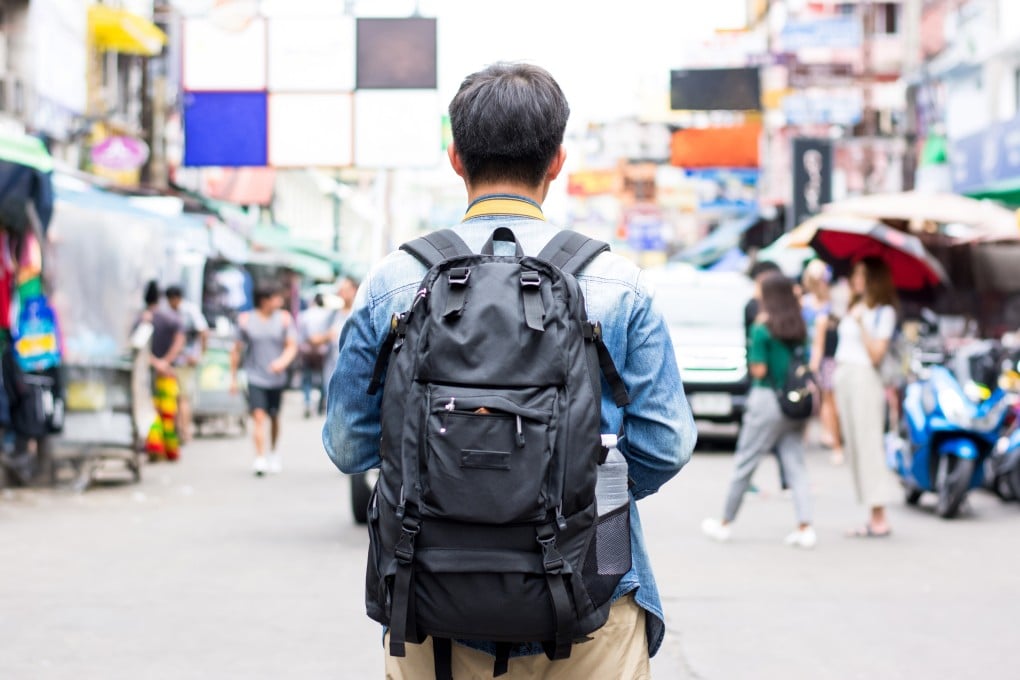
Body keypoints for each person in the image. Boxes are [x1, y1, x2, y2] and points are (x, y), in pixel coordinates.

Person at [322, 62, 695, 678]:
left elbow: (347, 444)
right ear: (557, 160)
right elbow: (666, 443)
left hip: (431, 599)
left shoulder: (394, 282)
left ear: (455, 158)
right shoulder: (617, 284)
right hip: (592, 594)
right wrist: (586, 498)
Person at [702, 271, 817, 548]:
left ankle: (725, 522)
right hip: (794, 400)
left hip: (766, 399)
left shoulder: (761, 328)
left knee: (746, 461)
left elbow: (759, 369)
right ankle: (805, 526)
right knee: (795, 464)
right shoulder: (798, 326)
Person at [834, 257, 900, 538]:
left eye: (861, 275)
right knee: (855, 447)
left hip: (864, 377)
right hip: (845, 375)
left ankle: (879, 515)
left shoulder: (883, 312)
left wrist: (861, 325)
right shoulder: (854, 306)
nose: (856, 279)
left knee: (869, 443)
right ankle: (872, 514)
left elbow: (876, 355)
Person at [230, 284, 298, 476]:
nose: (280, 301)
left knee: (274, 417)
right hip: (254, 376)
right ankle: (259, 458)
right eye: (276, 297)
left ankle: (274, 452)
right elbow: (235, 350)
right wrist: (233, 378)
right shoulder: (245, 320)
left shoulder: (284, 319)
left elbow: (292, 346)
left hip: (276, 378)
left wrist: (282, 362)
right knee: (258, 416)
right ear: (264, 300)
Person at [743, 259, 789, 494]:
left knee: (749, 449)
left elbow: (758, 366)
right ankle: (788, 483)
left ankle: (725, 520)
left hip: (765, 389)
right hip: (786, 390)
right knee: (790, 449)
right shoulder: (791, 316)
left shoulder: (761, 321)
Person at [801, 260, 844, 464]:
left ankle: (834, 441)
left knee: (827, 399)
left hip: (825, 357)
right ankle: (804, 440)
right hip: (813, 357)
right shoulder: (806, 303)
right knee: (812, 399)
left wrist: (814, 363)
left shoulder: (830, 305)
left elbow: (820, 340)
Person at [138, 281, 186, 462]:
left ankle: (155, 449)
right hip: (167, 374)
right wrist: (166, 362)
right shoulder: (170, 318)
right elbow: (180, 339)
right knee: (168, 413)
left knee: (151, 411)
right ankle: (171, 451)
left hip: (147, 375)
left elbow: (136, 347)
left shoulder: (142, 319)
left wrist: (154, 362)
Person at [165, 285, 209, 444]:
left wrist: (199, 354)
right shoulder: (173, 313)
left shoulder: (189, 311)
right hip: (174, 361)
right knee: (178, 397)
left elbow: (203, 332)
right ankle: (181, 431)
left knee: (182, 397)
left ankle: (184, 431)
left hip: (184, 361)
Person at [296, 293, 333, 418]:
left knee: (307, 378)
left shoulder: (304, 315)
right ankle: (322, 403)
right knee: (324, 377)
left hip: (307, 351)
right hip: (322, 351)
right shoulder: (327, 315)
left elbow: (300, 335)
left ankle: (307, 402)